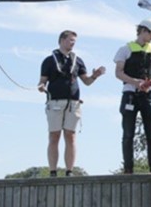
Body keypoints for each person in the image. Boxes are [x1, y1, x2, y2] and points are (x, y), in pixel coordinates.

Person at [38, 30, 105, 177]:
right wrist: (42, 87)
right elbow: (42, 81)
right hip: (55, 101)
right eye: (70, 40)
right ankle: (53, 171)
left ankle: (69, 171)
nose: (73, 43)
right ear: (61, 40)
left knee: (71, 135)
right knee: (54, 135)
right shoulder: (49, 61)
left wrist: (95, 76)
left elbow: (86, 81)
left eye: (74, 41)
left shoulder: (78, 60)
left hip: (73, 102)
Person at [115, 18, 151, 173]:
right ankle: (128, 168)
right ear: (143, 31)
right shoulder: (125, 49)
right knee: (128, 133)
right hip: (130, 93)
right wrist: (136, 82)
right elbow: (118, 73)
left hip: (148, 95)